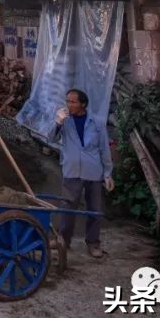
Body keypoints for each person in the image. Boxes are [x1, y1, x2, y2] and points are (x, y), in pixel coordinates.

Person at [51, 87, 114, 259]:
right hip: (71, 172)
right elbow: (51, 138)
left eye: (72, 102)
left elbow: (104, 149)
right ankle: (63, 240)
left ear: (83, 104)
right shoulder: (65, 121)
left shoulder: (97, 122)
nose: (68, 105)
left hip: (93, 172)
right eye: (67, 101)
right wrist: (58, 123)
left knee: (94, 209)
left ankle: (93, 243)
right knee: (68, 208)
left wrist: (108, 173)